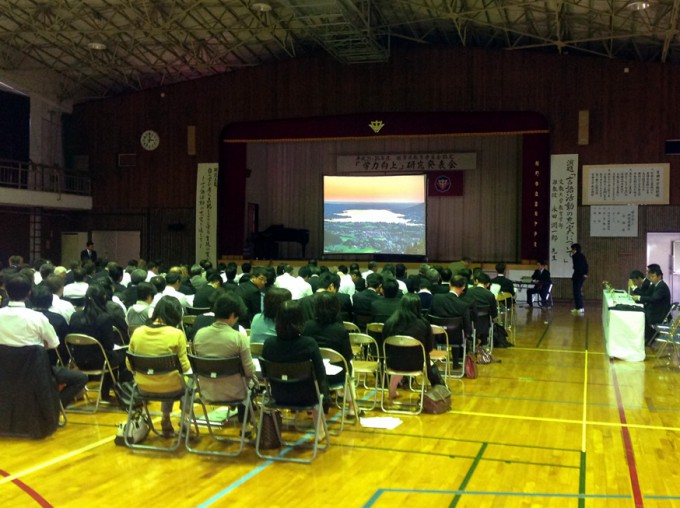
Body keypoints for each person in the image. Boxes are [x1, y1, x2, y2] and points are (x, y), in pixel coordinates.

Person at [0, 273, 87, 408]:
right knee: (80, 378)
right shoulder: (37, 318)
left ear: (5, 290)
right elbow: (54, 344)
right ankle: (52, 408)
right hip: (35, 371)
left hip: (4, 371)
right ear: (29, 293)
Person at [127, 296, 192, 436]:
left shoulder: (137, 332)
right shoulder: (177, 334)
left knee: (166, 376)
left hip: (143, 388)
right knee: (186, 381)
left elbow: (129, 365)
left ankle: (165, 419)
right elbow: (185, 367)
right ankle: (185, 418)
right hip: (172, 388)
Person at [262, 300, 329, 427]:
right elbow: (320, 374)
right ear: (301, 320)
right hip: (307, 397)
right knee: (316, 386)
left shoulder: (269, 344)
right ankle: (319, 429)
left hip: (278, 395)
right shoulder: (309, 343)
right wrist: (326, 397)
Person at [193, 292, 257, 422]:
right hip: (235, 393)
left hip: (207, 392)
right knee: (250, 385)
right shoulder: (239, 338)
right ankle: (246, 425)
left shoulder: (199, 335)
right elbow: (249, 372)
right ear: (232, 315)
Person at [68, 284, 130, 403]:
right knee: (122, 356)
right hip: (100, 362)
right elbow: (108, 346)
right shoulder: (104, 318)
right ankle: (118, 393)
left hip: (78, 361)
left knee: (106, 355)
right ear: (104, 298)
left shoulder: (75, 316)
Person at [302, 291, 360, 417]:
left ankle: (314, 405)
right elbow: (347, 356)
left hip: (312, 375)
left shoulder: (307, 326)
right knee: (349, 365)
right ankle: (352, 406)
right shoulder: (340, 330)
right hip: (336, 377)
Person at [382, 293, 445, 399]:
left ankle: (392, 390)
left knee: (401, 356)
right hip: (416, 364)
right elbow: (429, 348)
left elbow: (385, 345)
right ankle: (440, 390)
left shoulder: (389, 323)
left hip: (393, 363)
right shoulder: (423, 324)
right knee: (428, 361)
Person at [632, 264, 672, 346]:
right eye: (651, 276)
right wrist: (639, 298)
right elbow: (647, 295)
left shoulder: (661, 287)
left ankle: (648, 338)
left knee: (642, 315)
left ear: (659, 276)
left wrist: (639, 298)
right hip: (655, 310)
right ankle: (645, 337)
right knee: (640, 311)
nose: (651, 278)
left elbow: (653, 299)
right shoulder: (655, 285)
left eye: (653, 276)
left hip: (660, 314)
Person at [570, 243, 589, 314]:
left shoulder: (575, 256)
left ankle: (579, 307)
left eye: (572, 249)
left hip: (578, 276)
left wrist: (581, 273)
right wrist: (585, 273)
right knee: (578, 292)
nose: (571, 250)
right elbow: (586, 265)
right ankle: (579, 308)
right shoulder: (582, 255)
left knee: (576, 292)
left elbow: (577, 267)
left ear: (575, 249)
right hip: (582, 276)